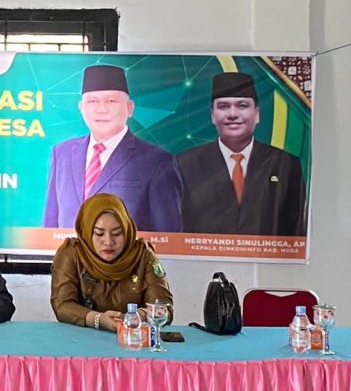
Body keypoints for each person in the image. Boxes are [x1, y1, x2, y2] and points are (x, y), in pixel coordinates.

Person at [44, 64, 183, 232]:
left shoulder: (156, 161)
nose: (101, 110)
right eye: (92, 101)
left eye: (111, 101)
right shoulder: (62, 153)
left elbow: (168, 235)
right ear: (81, 108)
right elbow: (50, 226)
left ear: (129, 108)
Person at [177, 72, 307, 236]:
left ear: (257, 114)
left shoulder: (285, 164)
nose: (233, 114)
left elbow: (297, 230)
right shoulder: (184, 165)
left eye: (242, 105)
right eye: (223, 106)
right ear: (212, 115)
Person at [50, 193, 173, 331]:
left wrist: (138, 316)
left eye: (117, 233)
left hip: (133, 338)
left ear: (127, 231)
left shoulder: (143, 255)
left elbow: (164, 308)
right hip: (80, 338)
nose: (108, 242)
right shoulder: (71, 254)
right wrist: (98, 319)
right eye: (99, 233)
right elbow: (62, 305)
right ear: (87, 232)